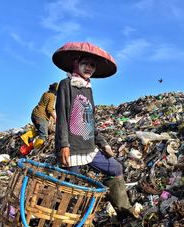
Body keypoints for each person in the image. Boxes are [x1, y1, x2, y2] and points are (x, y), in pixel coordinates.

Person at [53, 42, 136, 217]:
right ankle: (68, 224)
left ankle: (124, 211)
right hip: (72, 149)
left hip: (89, 147)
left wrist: (103, 143)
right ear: (77, 63)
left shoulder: (88, 89)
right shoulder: (66, 84)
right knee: (71, 190)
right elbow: (61, 117)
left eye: (92, 65)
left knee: (115, 169)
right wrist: (63, 145)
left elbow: (90, 121)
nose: (89, 68)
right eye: (86, 64)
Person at [21, 82, 58, 149]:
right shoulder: (52, 96)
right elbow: (49, 109)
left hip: (35, 114)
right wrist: (55, 118)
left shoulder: (46, 93)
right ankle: (35, 149)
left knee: (40, 131)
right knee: (44, 135)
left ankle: (26, 136)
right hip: (41, 116)